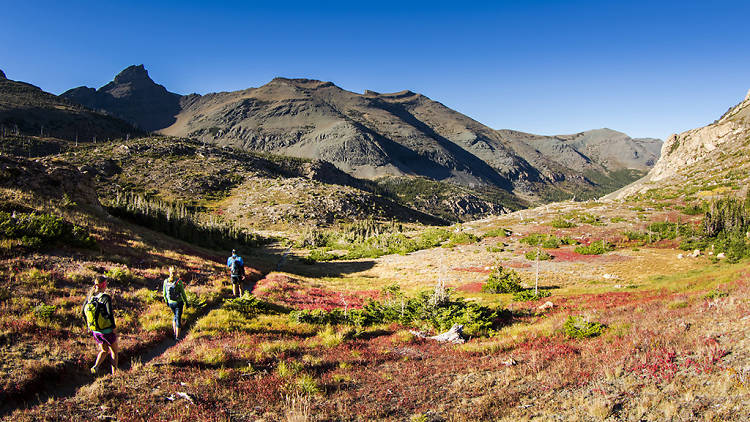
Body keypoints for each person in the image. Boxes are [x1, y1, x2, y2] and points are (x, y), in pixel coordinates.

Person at [82, 275, 118, 374]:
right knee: (114, 352)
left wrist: (89, 325)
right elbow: (110, 314)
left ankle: (96, 366)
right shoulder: (105, 297)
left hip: (95, 331)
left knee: (104, 350)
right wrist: (113, 328)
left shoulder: (90, 298)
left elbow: (82, 312)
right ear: (104, 285)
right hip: (106, 330)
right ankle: (115, 374)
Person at [163, 266, 188, 339]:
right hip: (179, 302)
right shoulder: (178, 281)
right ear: (176, 272)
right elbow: (183, 293)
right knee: (178, 318)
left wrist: (166, 301)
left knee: (175, 316)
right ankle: (177, 337)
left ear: (169, 272)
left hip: (170, 303)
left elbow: (164, 294)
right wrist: (186, 302)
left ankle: (175, 333)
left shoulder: (165, 281)